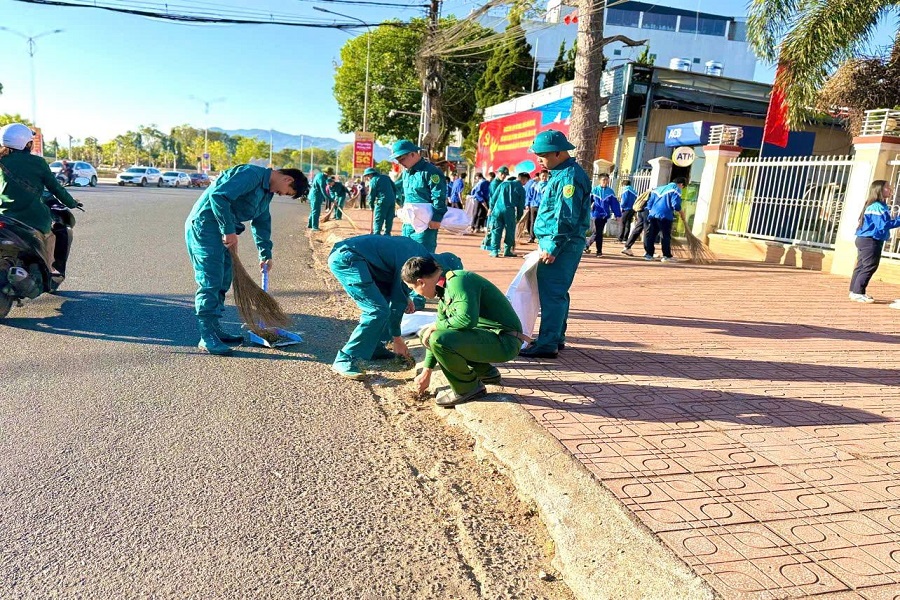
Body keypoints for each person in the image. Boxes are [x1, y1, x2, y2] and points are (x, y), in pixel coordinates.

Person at [185, 164, 308, 355]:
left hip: (223, 232)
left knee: (224, 279)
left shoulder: (266, 192)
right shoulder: (251, 174)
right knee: (211, 280)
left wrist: (265, 254)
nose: (280, 194)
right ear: (288, 179)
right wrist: (228, 230)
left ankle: (215, 328)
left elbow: (261, 221)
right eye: (285, 192)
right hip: (205, 227)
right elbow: (219, 195)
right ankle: (206, 335)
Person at [328, 234, 462, 379]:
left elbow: (397, 288)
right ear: (438, 271)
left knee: (384, 302)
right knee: (377, 311)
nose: (438, 290)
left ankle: (375, 347)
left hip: (362, 260)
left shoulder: (419, 258)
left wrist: (406, 296)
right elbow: (396, 307)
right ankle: (346, 358)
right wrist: (397, 339)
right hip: (349, 259)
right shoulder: (411, 261)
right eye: (440, 284)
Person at [404, 256, 525, 407]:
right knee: (428, 334)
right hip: (489, 339)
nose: (416, 294)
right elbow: (435, 333)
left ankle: (468, 388)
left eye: (412, 289)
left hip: (505, 342)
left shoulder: (459, 281)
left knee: (439, 338)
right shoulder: (444, 288)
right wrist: (426, 371)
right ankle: (486, 373)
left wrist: (435, 326)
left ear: (421, 282)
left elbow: (466, 320)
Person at [519, 130, 591, 359]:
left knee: (552, 293)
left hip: (562, 243)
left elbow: (565, 216)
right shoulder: (561, 173)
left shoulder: (568, 177)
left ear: (559, 153)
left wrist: (553, 246)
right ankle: (555, 337)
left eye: (542, 154)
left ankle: (548, 343)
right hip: (558, 241)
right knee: (558, 292)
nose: (539, 159)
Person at [0, 123, 82, 277]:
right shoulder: (37, 162)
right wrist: (72, 203)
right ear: (26, 143)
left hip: (3, 216)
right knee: (59, 230)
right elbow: (55, 188)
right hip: (32, 217)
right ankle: (53, 270)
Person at [390, 139, 447, 252]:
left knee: (423, 256)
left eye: (402, 159)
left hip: (425, 222)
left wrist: (436, 218)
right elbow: (396, 188)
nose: (400, 163)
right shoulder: (405, 173)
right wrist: (401, 205)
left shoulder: (431, 171)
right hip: (408, 222)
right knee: (405, 253)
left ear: (413, 154)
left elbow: (439, 196)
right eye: (398, 160)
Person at [849, 180, 900, 303]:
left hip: (865, 239)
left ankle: (854, 291)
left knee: (861, 266)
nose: (890, 189)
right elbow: (883, 225)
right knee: (870, 266)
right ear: (879, 190)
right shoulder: (877, 206)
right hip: (870, 240)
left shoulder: (878, 205)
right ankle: (858, 292)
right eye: (887, 187)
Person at [644, 177, 687, 263]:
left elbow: (649, 204)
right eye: (683, 187)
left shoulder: (658, 189)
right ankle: (666, 256)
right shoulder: (676, 189)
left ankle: (649, 254)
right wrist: (682, 213)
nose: (681, 188)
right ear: (681, 184)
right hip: (665, 216)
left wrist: (651, 212)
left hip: (653, 215)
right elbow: (676, 205)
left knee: (651, 235)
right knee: (665, 236)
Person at [487, 171, 526, 257]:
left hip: (497, 210)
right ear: (524, 180)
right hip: (509, 211)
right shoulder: (521, 189)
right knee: (510, 231)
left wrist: (492, 208)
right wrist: (518, 217)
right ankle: (507, 250)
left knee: (496, 230)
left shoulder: (503, 184)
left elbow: (493, 198)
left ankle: (495, 251)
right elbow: (520, 205)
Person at [585, 173, 621, 256]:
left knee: (597, 232)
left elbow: (614, 204)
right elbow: (588, 202)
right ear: (600, 180)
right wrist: (584, 211)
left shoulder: (610, 192)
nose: (605, 181)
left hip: (605, 215)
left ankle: (586, 244)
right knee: (599, 232)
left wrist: (617, 215)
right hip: (596, 214)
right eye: (603, 180)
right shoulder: (594, 190)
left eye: (607, 180)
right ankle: (599, 251)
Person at [364, 166, 397, 235]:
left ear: (370, 175)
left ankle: (377, 234)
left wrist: (371, 205)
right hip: (392, 201)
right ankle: (387, 234)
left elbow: (371, 194)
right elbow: (394, 188)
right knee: (389, 218)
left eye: (367, 176)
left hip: (382, 201)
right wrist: (393, 198)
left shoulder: (373, 180)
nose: (367, 178)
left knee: (378, 218)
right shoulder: (386, 177)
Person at [621, 188, 651, 256]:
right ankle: (648, 251)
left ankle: (627, 247)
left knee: (638, 229)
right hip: (646, 210)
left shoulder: (651, 191)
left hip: (641, 209)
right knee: (647, 230)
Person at [526, 169, 548, 243]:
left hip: (543, 207)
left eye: (545, 176)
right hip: (534, 206)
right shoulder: (534, 185)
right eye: (543, 176)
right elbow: (529, 195)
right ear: (539, 176)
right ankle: (532, 237)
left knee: (542, 222)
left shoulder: (548, 185)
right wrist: (527, 204)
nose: (544, 177)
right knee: (533, 222)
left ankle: (540, 237)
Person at [617, 178, 638, 242]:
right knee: (628, 223)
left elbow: (624, 200)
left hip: (626, 208)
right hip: (632, 209)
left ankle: (620, 238)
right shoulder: (634, 191)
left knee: (622, 223)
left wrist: (621, 206)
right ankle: (625, 238)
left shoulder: (626, 190)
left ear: (624, 185)